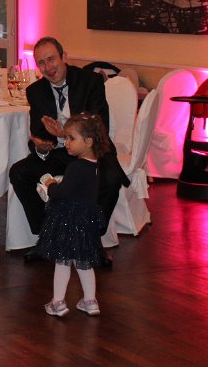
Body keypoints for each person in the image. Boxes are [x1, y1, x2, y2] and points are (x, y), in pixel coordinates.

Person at [8, 36, 128, 264]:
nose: (48, 67)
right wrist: (41, 147)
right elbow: (37, 133)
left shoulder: (90, 82)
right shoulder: (36, 91)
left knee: (111, 178)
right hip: (58, 153)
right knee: (19, 172)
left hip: (92, 151)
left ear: (64, 57)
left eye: (51, 59)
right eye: (41, 63)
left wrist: (64, 133)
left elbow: (98, 127)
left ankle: (91, 239)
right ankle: (47, 236)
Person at [37, 112, 108, 317]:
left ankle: (58, 302)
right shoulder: (95, 166)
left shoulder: (76, 167)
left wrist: (51, 185)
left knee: (63, 261)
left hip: (69, 219)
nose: (66, 142)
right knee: (84, 262)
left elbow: (61, 193)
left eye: (71, 138)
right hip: (85, 221)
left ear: (88, 141)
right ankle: (90, 301)